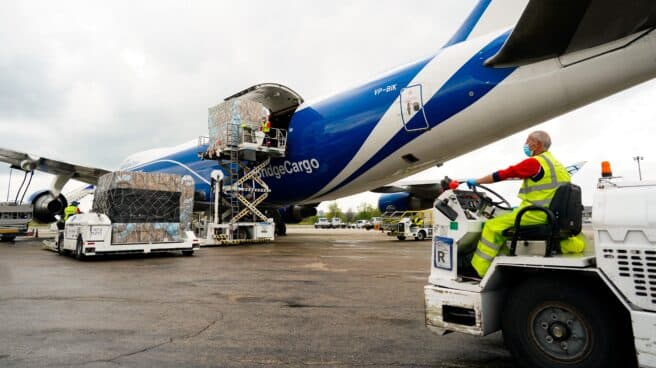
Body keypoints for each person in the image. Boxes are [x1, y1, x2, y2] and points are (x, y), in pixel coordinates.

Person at [464, 131, 584, 277]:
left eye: (528, 141)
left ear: (538, 144)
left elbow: (505, 174)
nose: (526, 145)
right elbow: (548, 194)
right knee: (507, 221)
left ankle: (479, 269)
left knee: (491, 227)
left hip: (537, 214)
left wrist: (477, 181)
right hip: (551, 214)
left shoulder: (535, 162)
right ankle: (502, 263)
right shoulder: (558, 166)